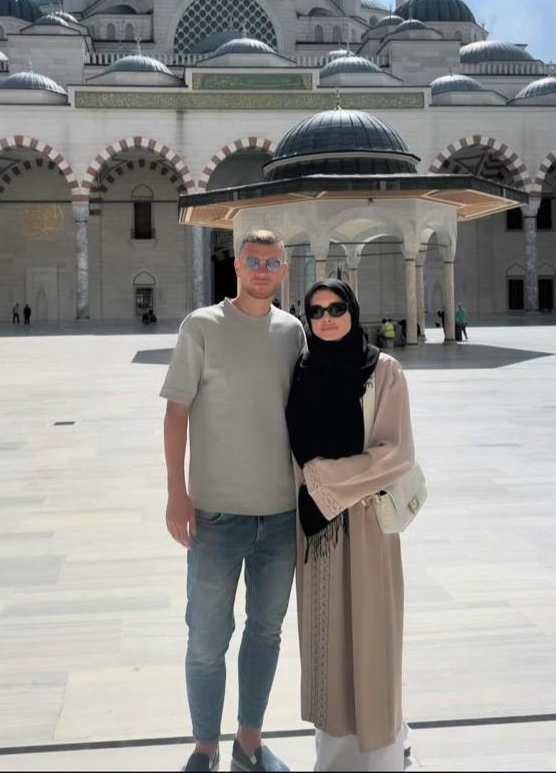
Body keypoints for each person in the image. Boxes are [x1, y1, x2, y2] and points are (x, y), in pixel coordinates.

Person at [161, 229, 307, 773]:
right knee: (206, 638)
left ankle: (249, 742)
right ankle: (205, 747)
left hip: (280, 516)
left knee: (265, 632)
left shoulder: (292, 332)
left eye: (272, 262)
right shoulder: (201, 326)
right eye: (253, 261)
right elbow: (176, 412)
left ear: (283, 271)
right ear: (237, 267)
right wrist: (177, 493)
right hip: (216, 516)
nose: (262, 270)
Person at [286, 280, 416, 772]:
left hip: (365, 528)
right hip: (316, 535)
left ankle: (383, 755)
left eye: (337, 308)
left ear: (353, 311)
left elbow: (396, 454)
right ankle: (334, 760)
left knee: (372, 637)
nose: (327, 318)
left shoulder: (383, 372)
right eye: (317, 311)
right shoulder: (301, 373)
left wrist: (324, 480)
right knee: (328, 644)